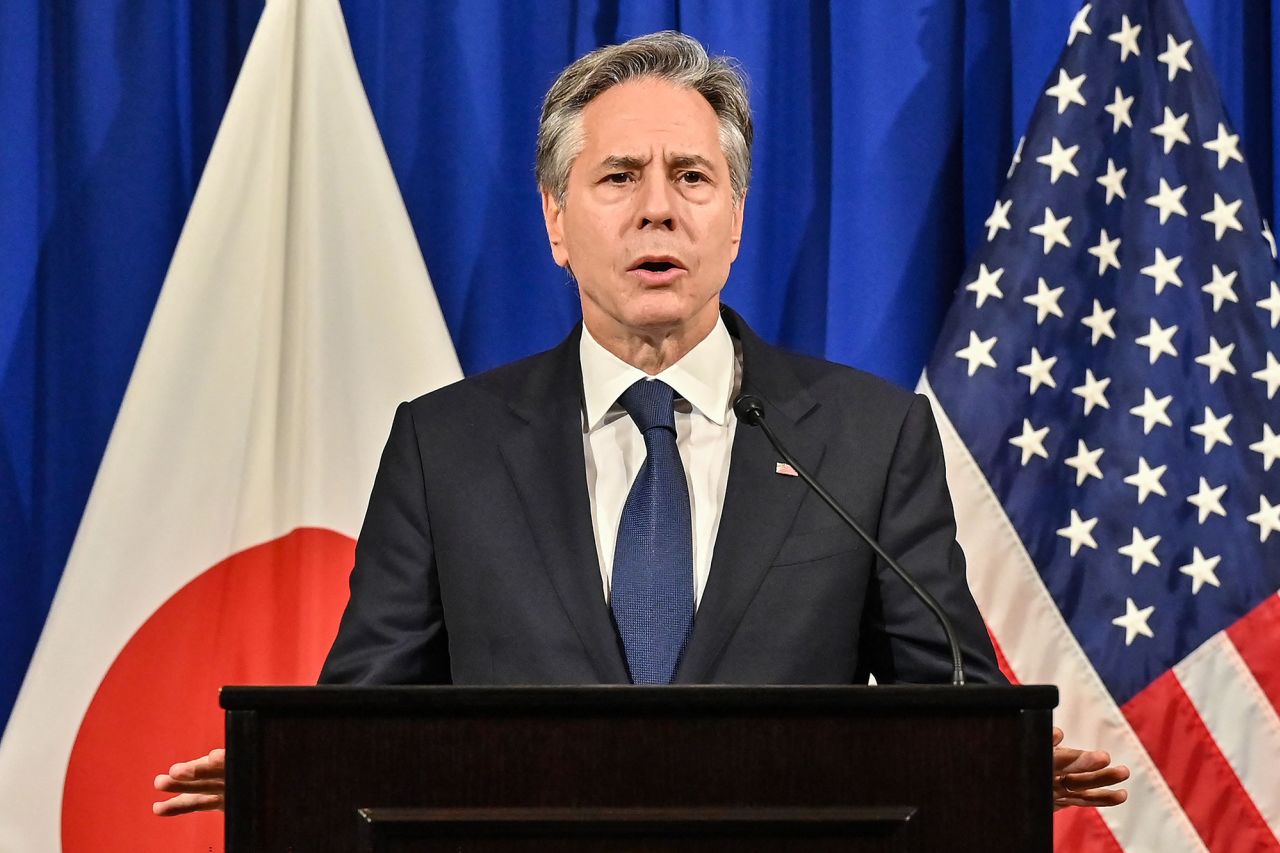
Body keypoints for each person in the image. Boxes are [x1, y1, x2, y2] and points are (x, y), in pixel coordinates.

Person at [155, 30, 1129, 816]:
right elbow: (369, 716)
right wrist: (292, 767)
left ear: (735, 216)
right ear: (553, 220)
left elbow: (939, 700)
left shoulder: (865, 439)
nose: (657, 211)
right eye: (617, 177)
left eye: (692, 178)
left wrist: (986, 760)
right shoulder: (444, 447)